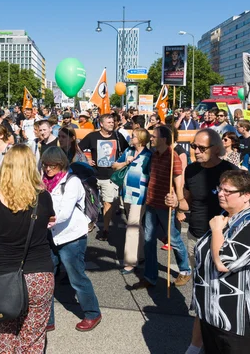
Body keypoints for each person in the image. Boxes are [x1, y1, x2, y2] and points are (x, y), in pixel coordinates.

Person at [193, 170, 250, 353]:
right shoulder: (224, 217)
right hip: (212, 315)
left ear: (247, 195)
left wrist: (217, 231)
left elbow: (222, 263)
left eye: (228, 191)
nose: (220, 193)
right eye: (220, 188)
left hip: (241, 321)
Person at [0, 144, 54, 352]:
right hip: (39, 274)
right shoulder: (44, 197)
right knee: (33, 338)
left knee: (3, 339)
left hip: (2, 277)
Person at [170, 129, 237, 354]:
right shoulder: (191, 169)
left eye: (201, 148)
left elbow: (242, 208)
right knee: (201, 292)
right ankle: (196, 344)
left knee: (223, 293)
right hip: (196, 237)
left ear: (216, 149)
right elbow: (187, 203)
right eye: (193, 146)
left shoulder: (230, 172)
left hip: (224, 240)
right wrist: (176, 200)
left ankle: (222, 337)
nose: (196, 151)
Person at [41, 147, 102, 332]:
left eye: (51, 165)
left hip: (72, 236)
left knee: (76, 277)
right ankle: (47, 319)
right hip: (51, 236)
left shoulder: (72, 181)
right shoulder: (43, 181)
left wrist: (42, 221)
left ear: (61, 164)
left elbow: (64, 213)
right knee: (47, 277)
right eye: (45, 165)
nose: (47, 169)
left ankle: (93, 313)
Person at [130, 126, 192, 290]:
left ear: (164, 139)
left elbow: (179, 183)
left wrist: (179, 206)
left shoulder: (174, 157)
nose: (151, 139)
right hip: (152, 202)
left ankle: (185, 270)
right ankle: (150, 277)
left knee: (173, 239)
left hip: (166, 205)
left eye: (154, 136)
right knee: (149, 241)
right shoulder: (154, 155)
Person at [79, 114, 128, 241]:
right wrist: (87, 159)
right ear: (101, 124)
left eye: (112, 122)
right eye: (109, 122)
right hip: (93, 175)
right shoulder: (92, 136)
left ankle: (105, 229)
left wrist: (121, 163)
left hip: (110, 176)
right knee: (91, 203)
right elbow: (78, 148)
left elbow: (127, 150)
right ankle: (90, 220)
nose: (112, 124)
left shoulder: (118, 136)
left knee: (107, 203)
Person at [112, 128, 152, 274]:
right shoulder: (128, 151)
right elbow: (114, 165)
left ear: (140, 139)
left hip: (140, 194)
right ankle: (140, 255)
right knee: (136, 225)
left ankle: (130, 262)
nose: (130, 137)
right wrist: (125, 163)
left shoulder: (148, 155)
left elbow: (151, 175)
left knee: (132, 226)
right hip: (126, 193)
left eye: (133, 136)